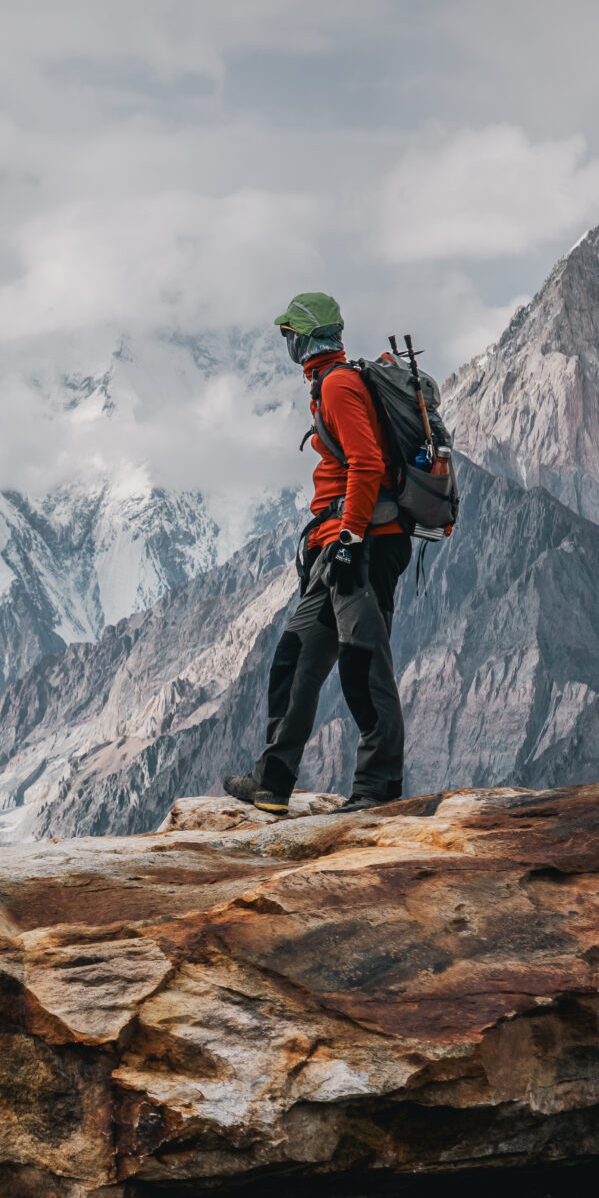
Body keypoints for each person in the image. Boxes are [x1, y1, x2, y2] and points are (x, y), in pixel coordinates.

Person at [225, 292, 412, 814]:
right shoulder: (329, 383)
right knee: (294, 655)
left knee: (362, 663)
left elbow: (367, 463)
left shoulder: (338, 385)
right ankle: (272, 780)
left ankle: (378, 789)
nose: (286, 341)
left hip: (365, 544)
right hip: (341, 546)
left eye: (290, 332)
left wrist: (350, 538)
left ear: (305, 334)